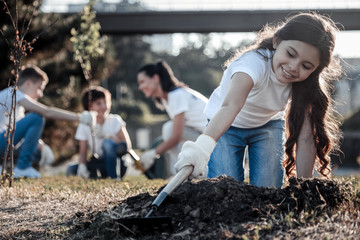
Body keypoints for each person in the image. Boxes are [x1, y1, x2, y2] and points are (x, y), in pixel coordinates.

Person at [174, 12, 343, 188]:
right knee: (224, 187)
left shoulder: (306, 84)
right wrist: (201, 149)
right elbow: (231, 106)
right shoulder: (251, 65)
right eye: (291, 54)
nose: (294, 67)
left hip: (267, 126)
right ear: (277, 41)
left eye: (306, 66)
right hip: (227, 125)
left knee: (268, 191)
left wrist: (304, 187)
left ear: (315, 69)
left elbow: (306, 136)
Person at [0, 65, 95, 178]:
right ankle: (23, 167)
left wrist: (43, 147)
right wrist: (79, 117)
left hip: (4, 141)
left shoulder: (16, 103)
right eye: (39, 88)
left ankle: (5, 167)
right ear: (29, 84)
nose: (41, 94)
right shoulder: (14, 94)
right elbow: (47, 112)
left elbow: (22, 135)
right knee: (37, 117)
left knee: (39, 152)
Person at [137, 61, 209, 178]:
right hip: (205, 137)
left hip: (215, 139)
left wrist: (153, 153)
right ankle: (186, 172)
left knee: (169, 128)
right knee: (170, 129)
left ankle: (179, 174)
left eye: (142, 82)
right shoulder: (168, 99)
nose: (140, 87)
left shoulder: (176, 95)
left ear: (155, 78)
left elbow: (176, 137)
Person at [66, 86, 133, 179]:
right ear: (89, 107)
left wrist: (109, 136)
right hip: (100, 162)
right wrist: (82, 166)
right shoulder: (84, 125)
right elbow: (83, 151)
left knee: (107, 144)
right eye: (99, 103)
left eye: (105, 102)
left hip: (119, 163)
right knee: (71, 169)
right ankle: (98, 177)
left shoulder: (115, 120)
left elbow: (127, 146)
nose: (104, 106)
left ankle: (114, 178)